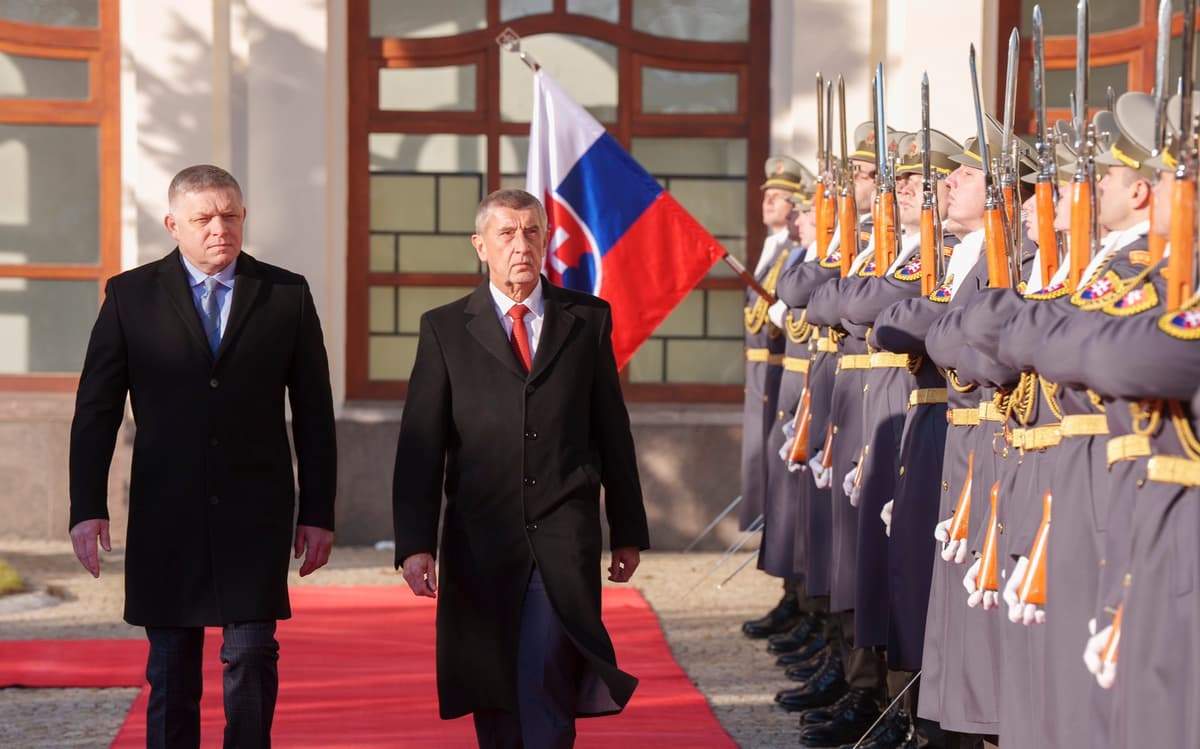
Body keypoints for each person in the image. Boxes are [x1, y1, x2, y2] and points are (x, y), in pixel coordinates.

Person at [68, 164, 338, 749]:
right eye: (204, 218)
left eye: (232, 215)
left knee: (251, 658)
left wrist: (318, 513)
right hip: (168, 512)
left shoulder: (285, 294)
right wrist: (86, 507)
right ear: (173, 225)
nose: (221, 228)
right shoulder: (130, 295)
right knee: (170, 667)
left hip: (254, 512)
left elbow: (315, 414)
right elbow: (96, 410)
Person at [391, 188, 650, 749]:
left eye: (532, 231)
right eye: (506, 234)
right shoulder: (444, 329)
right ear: (480, 246)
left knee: (546, 685)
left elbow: (612, 432)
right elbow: (420, 446)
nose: (521, 245)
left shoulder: (588, 320)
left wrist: (628, 530)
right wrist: (414, 543)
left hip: (561, 535)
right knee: (495, 694)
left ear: (548, 240)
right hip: (479, 542)